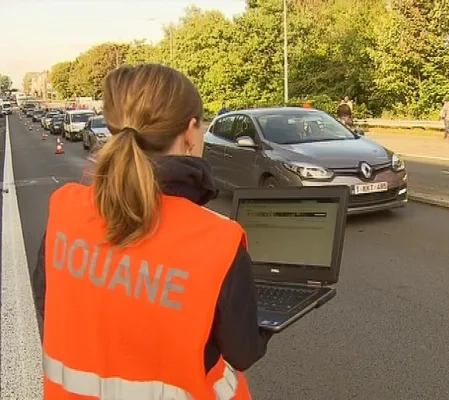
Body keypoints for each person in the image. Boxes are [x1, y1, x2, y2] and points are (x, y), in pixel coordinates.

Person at [31, 64, 272, 399]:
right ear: (190, 131)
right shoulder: (219, 240)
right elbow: (243, 352)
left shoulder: (64, 209)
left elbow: (50, 302)